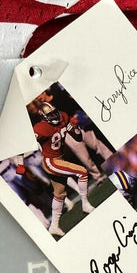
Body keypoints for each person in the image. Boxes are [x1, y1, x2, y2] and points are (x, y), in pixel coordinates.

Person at [23, 101, 95, 237]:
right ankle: (85, 204)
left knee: (59, 194)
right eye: (50, 115)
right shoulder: (40, 128)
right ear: (43, 117)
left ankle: (54, 226)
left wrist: (75, 127)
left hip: (59, 158)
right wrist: (22, 165)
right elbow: (25, 144)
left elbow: (78, 138)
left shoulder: (63, 117)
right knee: (82, 172)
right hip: (51, 162)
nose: (55, 116)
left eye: (54, 112)